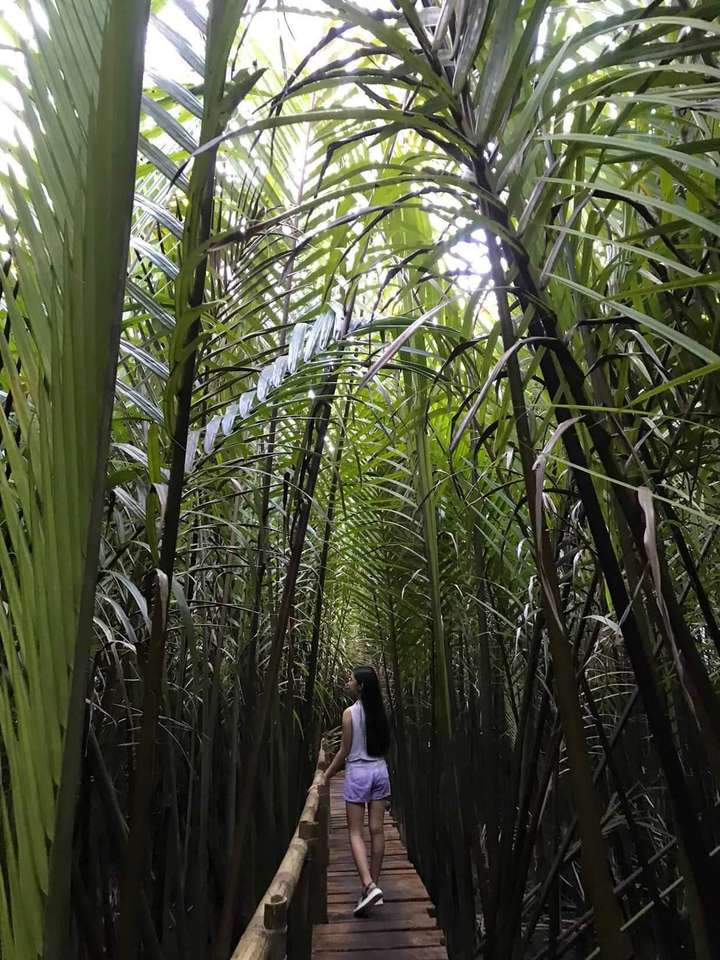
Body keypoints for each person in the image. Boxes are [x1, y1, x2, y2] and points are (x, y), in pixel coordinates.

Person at [320, 665, 391, 916]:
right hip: (380, 771)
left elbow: (344, 752)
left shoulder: (350, 713)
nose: (348, 681)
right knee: (377, 830)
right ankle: (372, 888)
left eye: (351, 679)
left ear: (360, 686)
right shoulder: (380, 712)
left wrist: (325, 777)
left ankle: (368, 885)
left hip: (359, 773)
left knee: (355, 833)